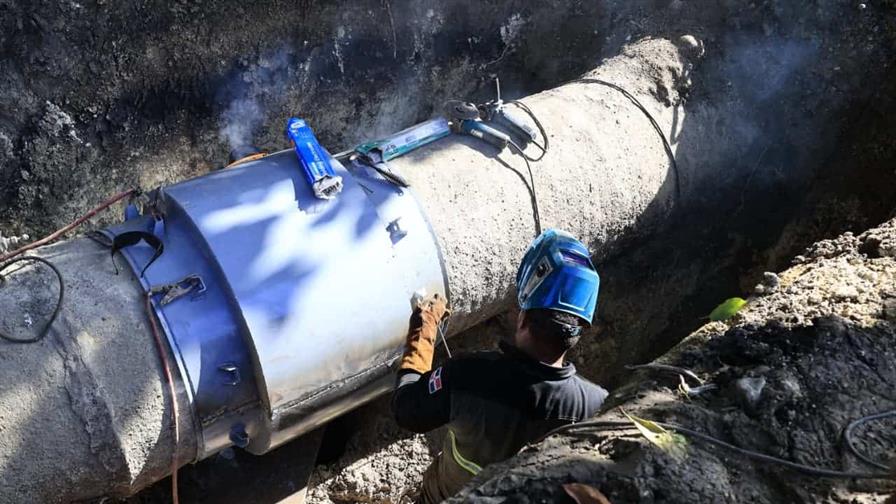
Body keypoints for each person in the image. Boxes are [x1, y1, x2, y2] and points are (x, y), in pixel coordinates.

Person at [392, 228, 608, 503]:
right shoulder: (595, 406)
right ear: (580, 330)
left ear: (523, 316)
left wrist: (421, 338)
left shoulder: (468, 375)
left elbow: (407, 411)